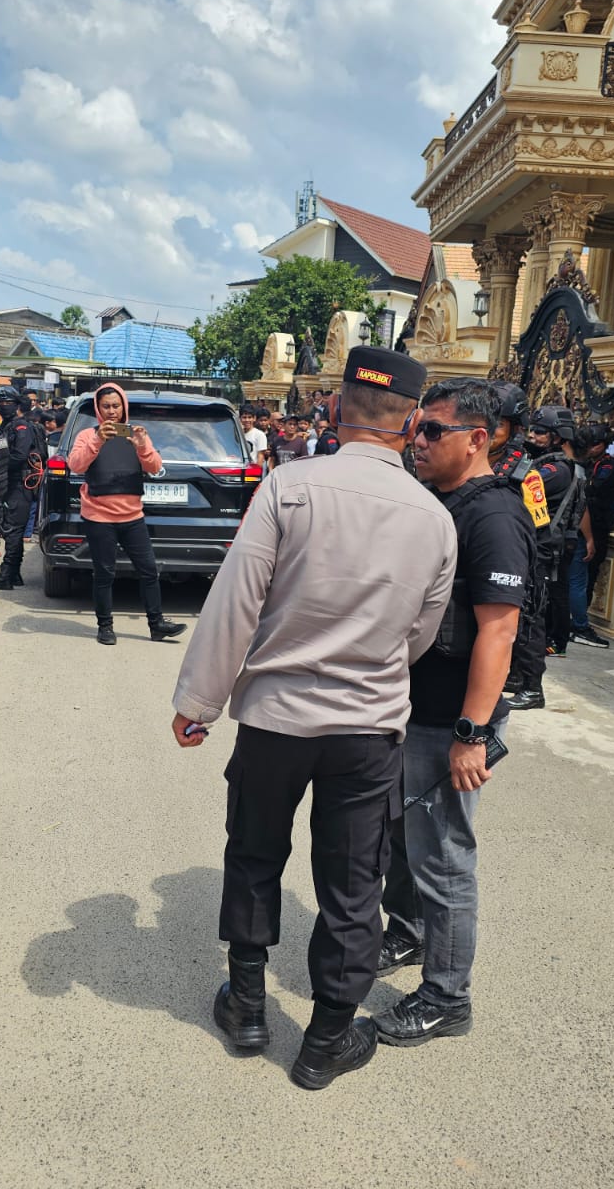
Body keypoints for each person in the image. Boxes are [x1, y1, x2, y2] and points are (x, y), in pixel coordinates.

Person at [171, 346, 456, 1091]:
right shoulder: (434, 518)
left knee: (255, 854)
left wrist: (199, 702)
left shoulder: (287, 488)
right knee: (353, 880)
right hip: (367, 728)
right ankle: (326, 1039)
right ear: (412, 420)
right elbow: (420, 635)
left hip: (275, 717)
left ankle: (249, 1005)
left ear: (334, 407)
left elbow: (237, 602)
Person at [376, 378, 533, 1046]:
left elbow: (499, 631)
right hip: (417, 705)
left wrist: (471, 734)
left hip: (451, 719)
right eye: (418, 426)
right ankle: (409, 934)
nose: (419, 439)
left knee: (443, 858)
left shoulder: (492, 516)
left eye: (434, 430)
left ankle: (446, 996)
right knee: (406, 841)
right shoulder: (445, 502)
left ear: (478, 437)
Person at [66, 383, 188, 645]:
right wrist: (99, 439)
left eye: (116, 406)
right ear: (98, 409)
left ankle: (157, 625)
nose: (111, 411)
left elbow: (155, 467)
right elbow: (75, 465)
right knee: (104, 573)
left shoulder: (137, 434)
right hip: (99, 517)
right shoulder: (87, 435)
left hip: (132, 517)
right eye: (106, 406)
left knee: (149, 571)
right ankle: (105, 626)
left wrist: (142, 445)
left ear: (123, 407)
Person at [505, 405, 582, 711]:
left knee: (531, 620)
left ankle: (533, 687)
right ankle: (515, 675)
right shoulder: (541, 463)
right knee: (518, 615)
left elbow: (516, 485)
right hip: (530, 548)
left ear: (557, 437)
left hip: (541, 552)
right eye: (532, 430)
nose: (533, 436)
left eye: (540, 432)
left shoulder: (557, 470)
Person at [568, 425, 614, 649]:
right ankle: (576, 624)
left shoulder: (607, 466)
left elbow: (591, 490)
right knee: (577, 580)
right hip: (581, 529)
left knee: (583, 580)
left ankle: (578, 623)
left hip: (596, 530)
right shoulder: (582, 466)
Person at [0, 386, 39, 590]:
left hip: (20, 484)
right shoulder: (7, 425)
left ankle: (6, 575)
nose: (3, 406)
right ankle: (14, 573)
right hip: (10, 483)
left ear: (17, 405)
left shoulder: (21, 427)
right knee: (14, 530)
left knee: (12, 530)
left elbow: (19, 456)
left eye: (7, 403)